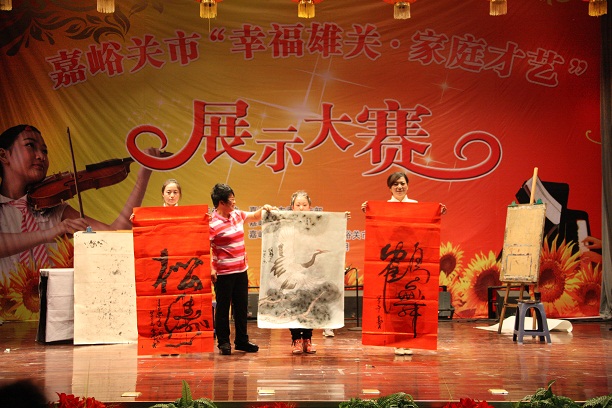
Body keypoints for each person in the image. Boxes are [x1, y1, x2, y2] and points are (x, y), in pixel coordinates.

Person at [0, 125, 159, 283]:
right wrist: (48, 234)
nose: (41, 156)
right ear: (3, 155)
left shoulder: (52, 208)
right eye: (30, 145)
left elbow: (114, 234)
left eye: (45, 151)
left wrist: (143, 178)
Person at [361, 171, 446, 356]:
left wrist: (437, 213)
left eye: (402, 183)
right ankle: (397, 342)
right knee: (393, 306)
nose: (399, 187)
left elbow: (426, 229)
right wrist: (368, 212)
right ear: (390, 188)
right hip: (392, 266)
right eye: (395, 184)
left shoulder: (415, 206)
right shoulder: (384, 208)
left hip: (411, 264)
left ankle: (409, 342)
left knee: (410, 303)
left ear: (407, 185)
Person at [209, 183, 277, 356]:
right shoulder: (212, 223)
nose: (234, 202)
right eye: (231, 199)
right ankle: (223, 342)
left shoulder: (237, 215)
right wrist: (211, 268)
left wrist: (265, 208)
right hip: (224, 273)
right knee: (223, 308)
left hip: (241, 270)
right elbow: (203, 247)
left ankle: (241, 340)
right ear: (221, 203)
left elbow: (254, 216)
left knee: (241, 307)